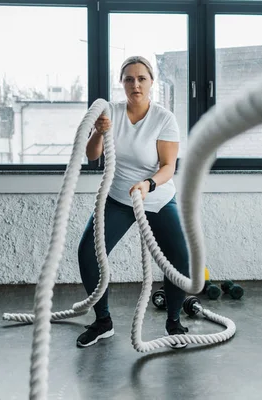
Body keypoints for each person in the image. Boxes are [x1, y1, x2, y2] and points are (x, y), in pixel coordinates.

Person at [76, 55, 190, 349]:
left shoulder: (164, 118)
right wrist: (99, 133)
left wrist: (148, 184)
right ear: (122, 83)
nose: (135, 84)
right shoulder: (109, 112)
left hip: (157, 197)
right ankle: (103, 322)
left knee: (179, 261)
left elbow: (168, 167)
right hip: (118, 198)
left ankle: (174, 322)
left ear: (152, 82)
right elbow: (91, 156)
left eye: (141, 78)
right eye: (129, 79)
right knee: (88, 252)